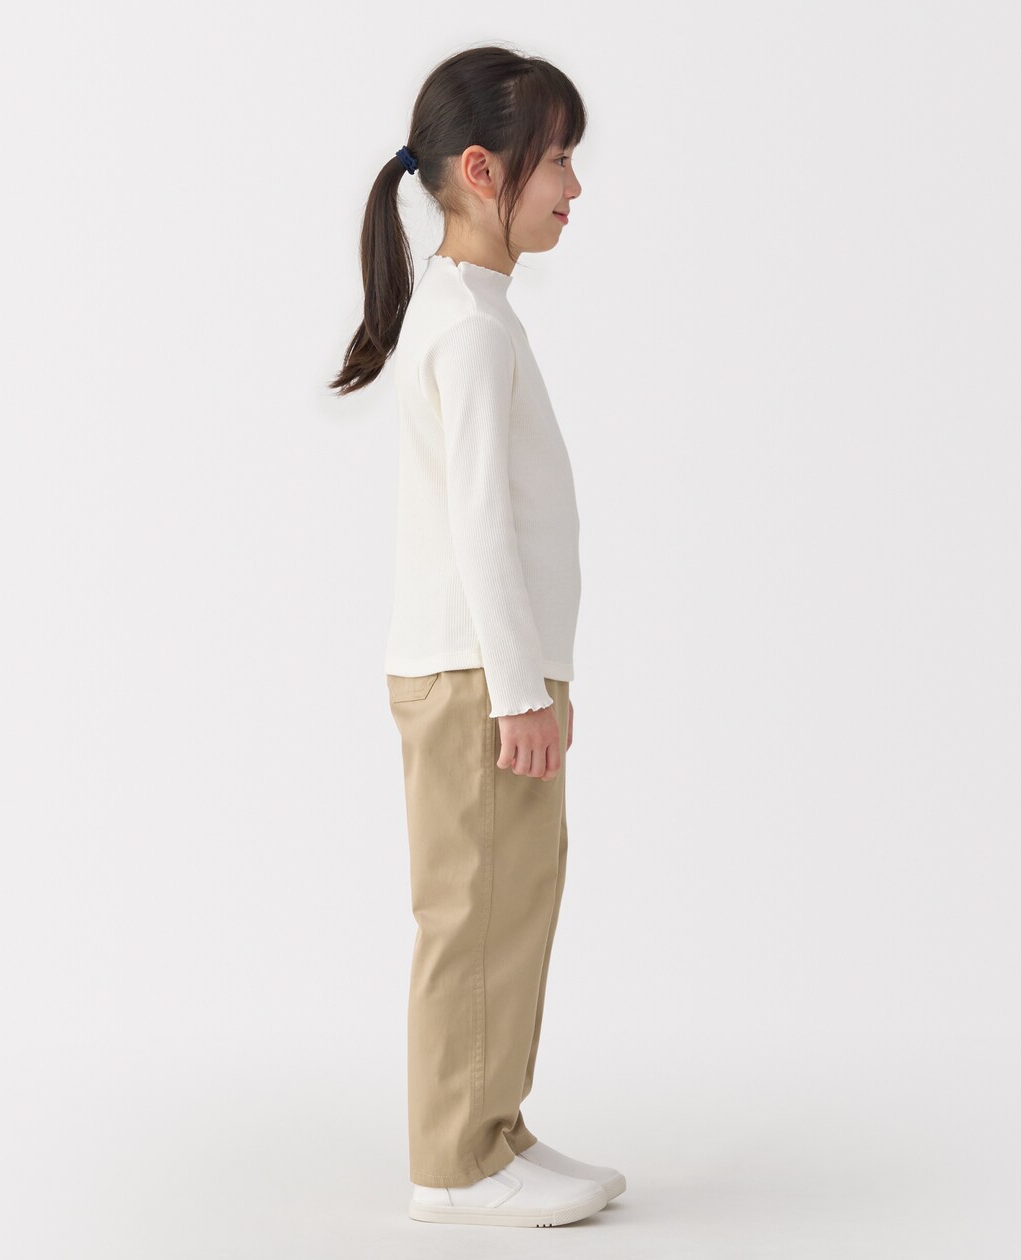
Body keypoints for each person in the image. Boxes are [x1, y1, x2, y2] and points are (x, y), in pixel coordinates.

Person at [329, 44, 625, 1228]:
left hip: (487, 672)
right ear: (482, 171)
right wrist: (518, 692)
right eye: (558, 160)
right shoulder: (468, 329)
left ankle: (494, 1127)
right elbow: (480, 528)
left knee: (514, 904)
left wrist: (534, 679)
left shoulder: (475, 315)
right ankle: (454, 1168)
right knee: (473, 914)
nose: (574, 186)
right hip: (473, 678)